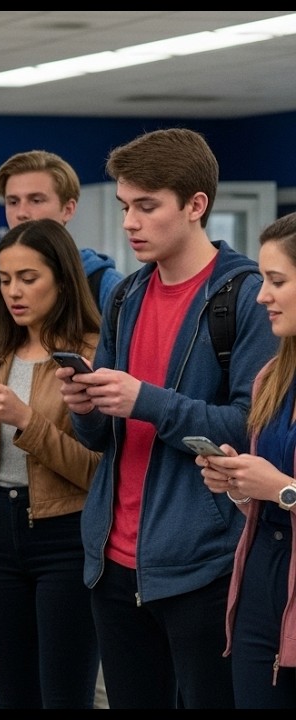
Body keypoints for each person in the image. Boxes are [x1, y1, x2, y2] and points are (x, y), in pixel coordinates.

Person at [58, 127, 276, 709]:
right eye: (127, 206)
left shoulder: (247, 297)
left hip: (201, 567)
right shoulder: (125, 294)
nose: (130, 221)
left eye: (147, 206)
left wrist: (144, 400)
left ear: (196, 205)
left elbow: (250, 431)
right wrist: (85, 407)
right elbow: (105, 436)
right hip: (112, 562)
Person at [0, 218, 102, 708]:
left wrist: (25, 421)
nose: (14, 291)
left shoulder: (91, 356)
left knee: (64, 695)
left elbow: (97, 472)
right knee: (10, 695)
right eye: (4, 279)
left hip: (66, 536)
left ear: (62, 278)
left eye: (28, 279)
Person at [196, 212, 296, 709]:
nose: (261, 296)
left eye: (277, 281)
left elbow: (284, 489)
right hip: (261, 577)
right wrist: (240, 483)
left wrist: (281, 488)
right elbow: (270, 495)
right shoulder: (272, 378)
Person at [0, 149, 123, 356]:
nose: (22, 213)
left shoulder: (107, 286)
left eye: (36, 200)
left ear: (68, 209)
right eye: (13, 202)